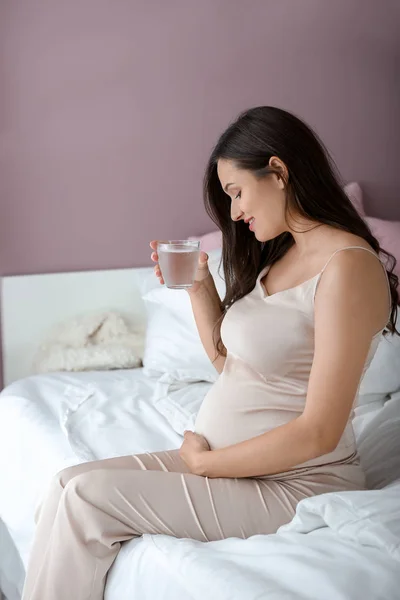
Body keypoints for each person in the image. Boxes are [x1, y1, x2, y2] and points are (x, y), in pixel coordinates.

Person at [22, 106, 399, 599]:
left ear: (279, 171)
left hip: (296, 483)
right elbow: (232, 365)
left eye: (236, 192)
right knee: (65, 484)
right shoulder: (282, 255)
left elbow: (320, 430)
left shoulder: (346, 266)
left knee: (86, 502)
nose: (235, 212)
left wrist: (205, 466)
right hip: (230, 462)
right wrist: (201, 287)